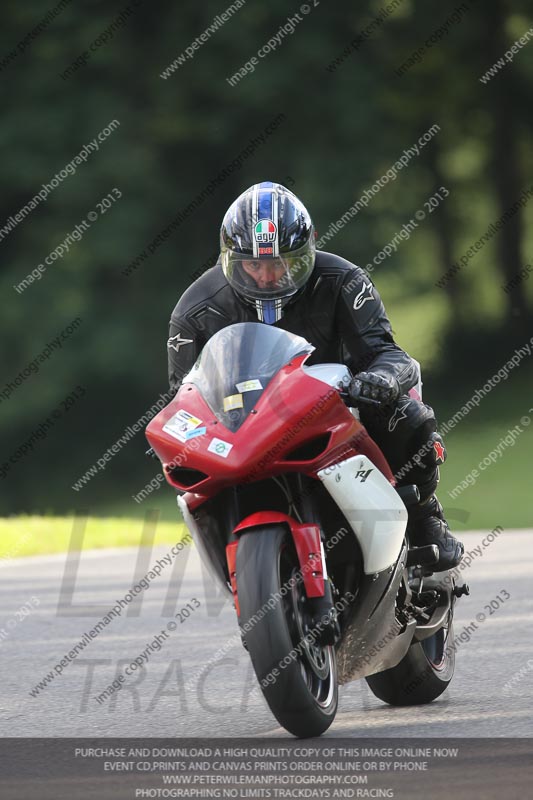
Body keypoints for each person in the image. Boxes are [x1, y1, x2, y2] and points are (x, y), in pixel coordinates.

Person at [167, 181, 464, 574]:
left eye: (282, 262)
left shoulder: (344, 280)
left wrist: (381, 379)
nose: (268, 276)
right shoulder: (196, 308)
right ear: (229, 258)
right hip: (247, 422)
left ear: (309, 248)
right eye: (253, 264)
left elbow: (388, 353)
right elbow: (180, 393)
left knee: (407, 416)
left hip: (342, 407)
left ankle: (426, 516)